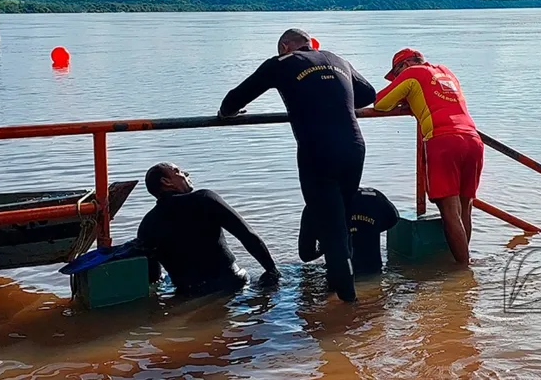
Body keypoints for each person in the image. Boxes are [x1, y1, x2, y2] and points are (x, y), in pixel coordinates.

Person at [218, 28, 377, 302]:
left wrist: (225, 114)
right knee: (341, 220)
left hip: (318, 152)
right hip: (354, 148)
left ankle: (346, 310)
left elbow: (235, 99)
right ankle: (336, 290)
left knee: (334, 232)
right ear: (311, 45)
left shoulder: (280, 64)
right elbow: (368, 94)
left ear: (284, 46)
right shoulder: (337, 59)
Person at [373, 48, 483, 266]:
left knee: (449, 212)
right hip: (473, 140)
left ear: (403, 66)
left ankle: (463, 271)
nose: (396, 80)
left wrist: (403, 98)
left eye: (396, 75)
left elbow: (381, 103)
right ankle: (465, 267)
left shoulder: (412, 74)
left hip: (443, 141)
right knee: (465, 208)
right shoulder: (446, 72)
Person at [134, 162, 281, 295]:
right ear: (166, 182)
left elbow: (153, 277)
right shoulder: (204, 199)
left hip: (187, 293)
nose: (186, 174)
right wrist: (271, 270)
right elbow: (247, 236)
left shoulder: (146, 226)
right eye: (177, 171)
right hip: (231, 284)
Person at [298, 186, 399, 275]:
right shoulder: (374, 196)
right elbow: (394, 218)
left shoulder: (315, 206)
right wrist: (368, 230)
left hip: (339, 275)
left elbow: (306, 255)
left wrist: (323, 246)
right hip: (373, 271)